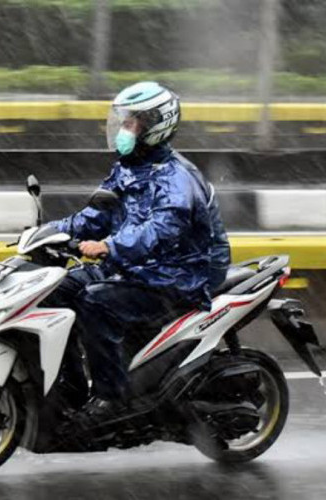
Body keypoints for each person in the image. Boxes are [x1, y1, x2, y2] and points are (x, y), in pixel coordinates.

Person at [47, 81, 230, 422]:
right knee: (58, 289)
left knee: (96, 302)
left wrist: (108, 246)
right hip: (137, 265)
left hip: (177, 273)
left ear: (155, 126)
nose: (122, 129)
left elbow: (160, 231)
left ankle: (110, 400)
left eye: (131, 123)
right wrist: (49, 233)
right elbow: (97, 215)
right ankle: (70, 387)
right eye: (123, 121)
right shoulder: (130, 167)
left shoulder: (177, 178)